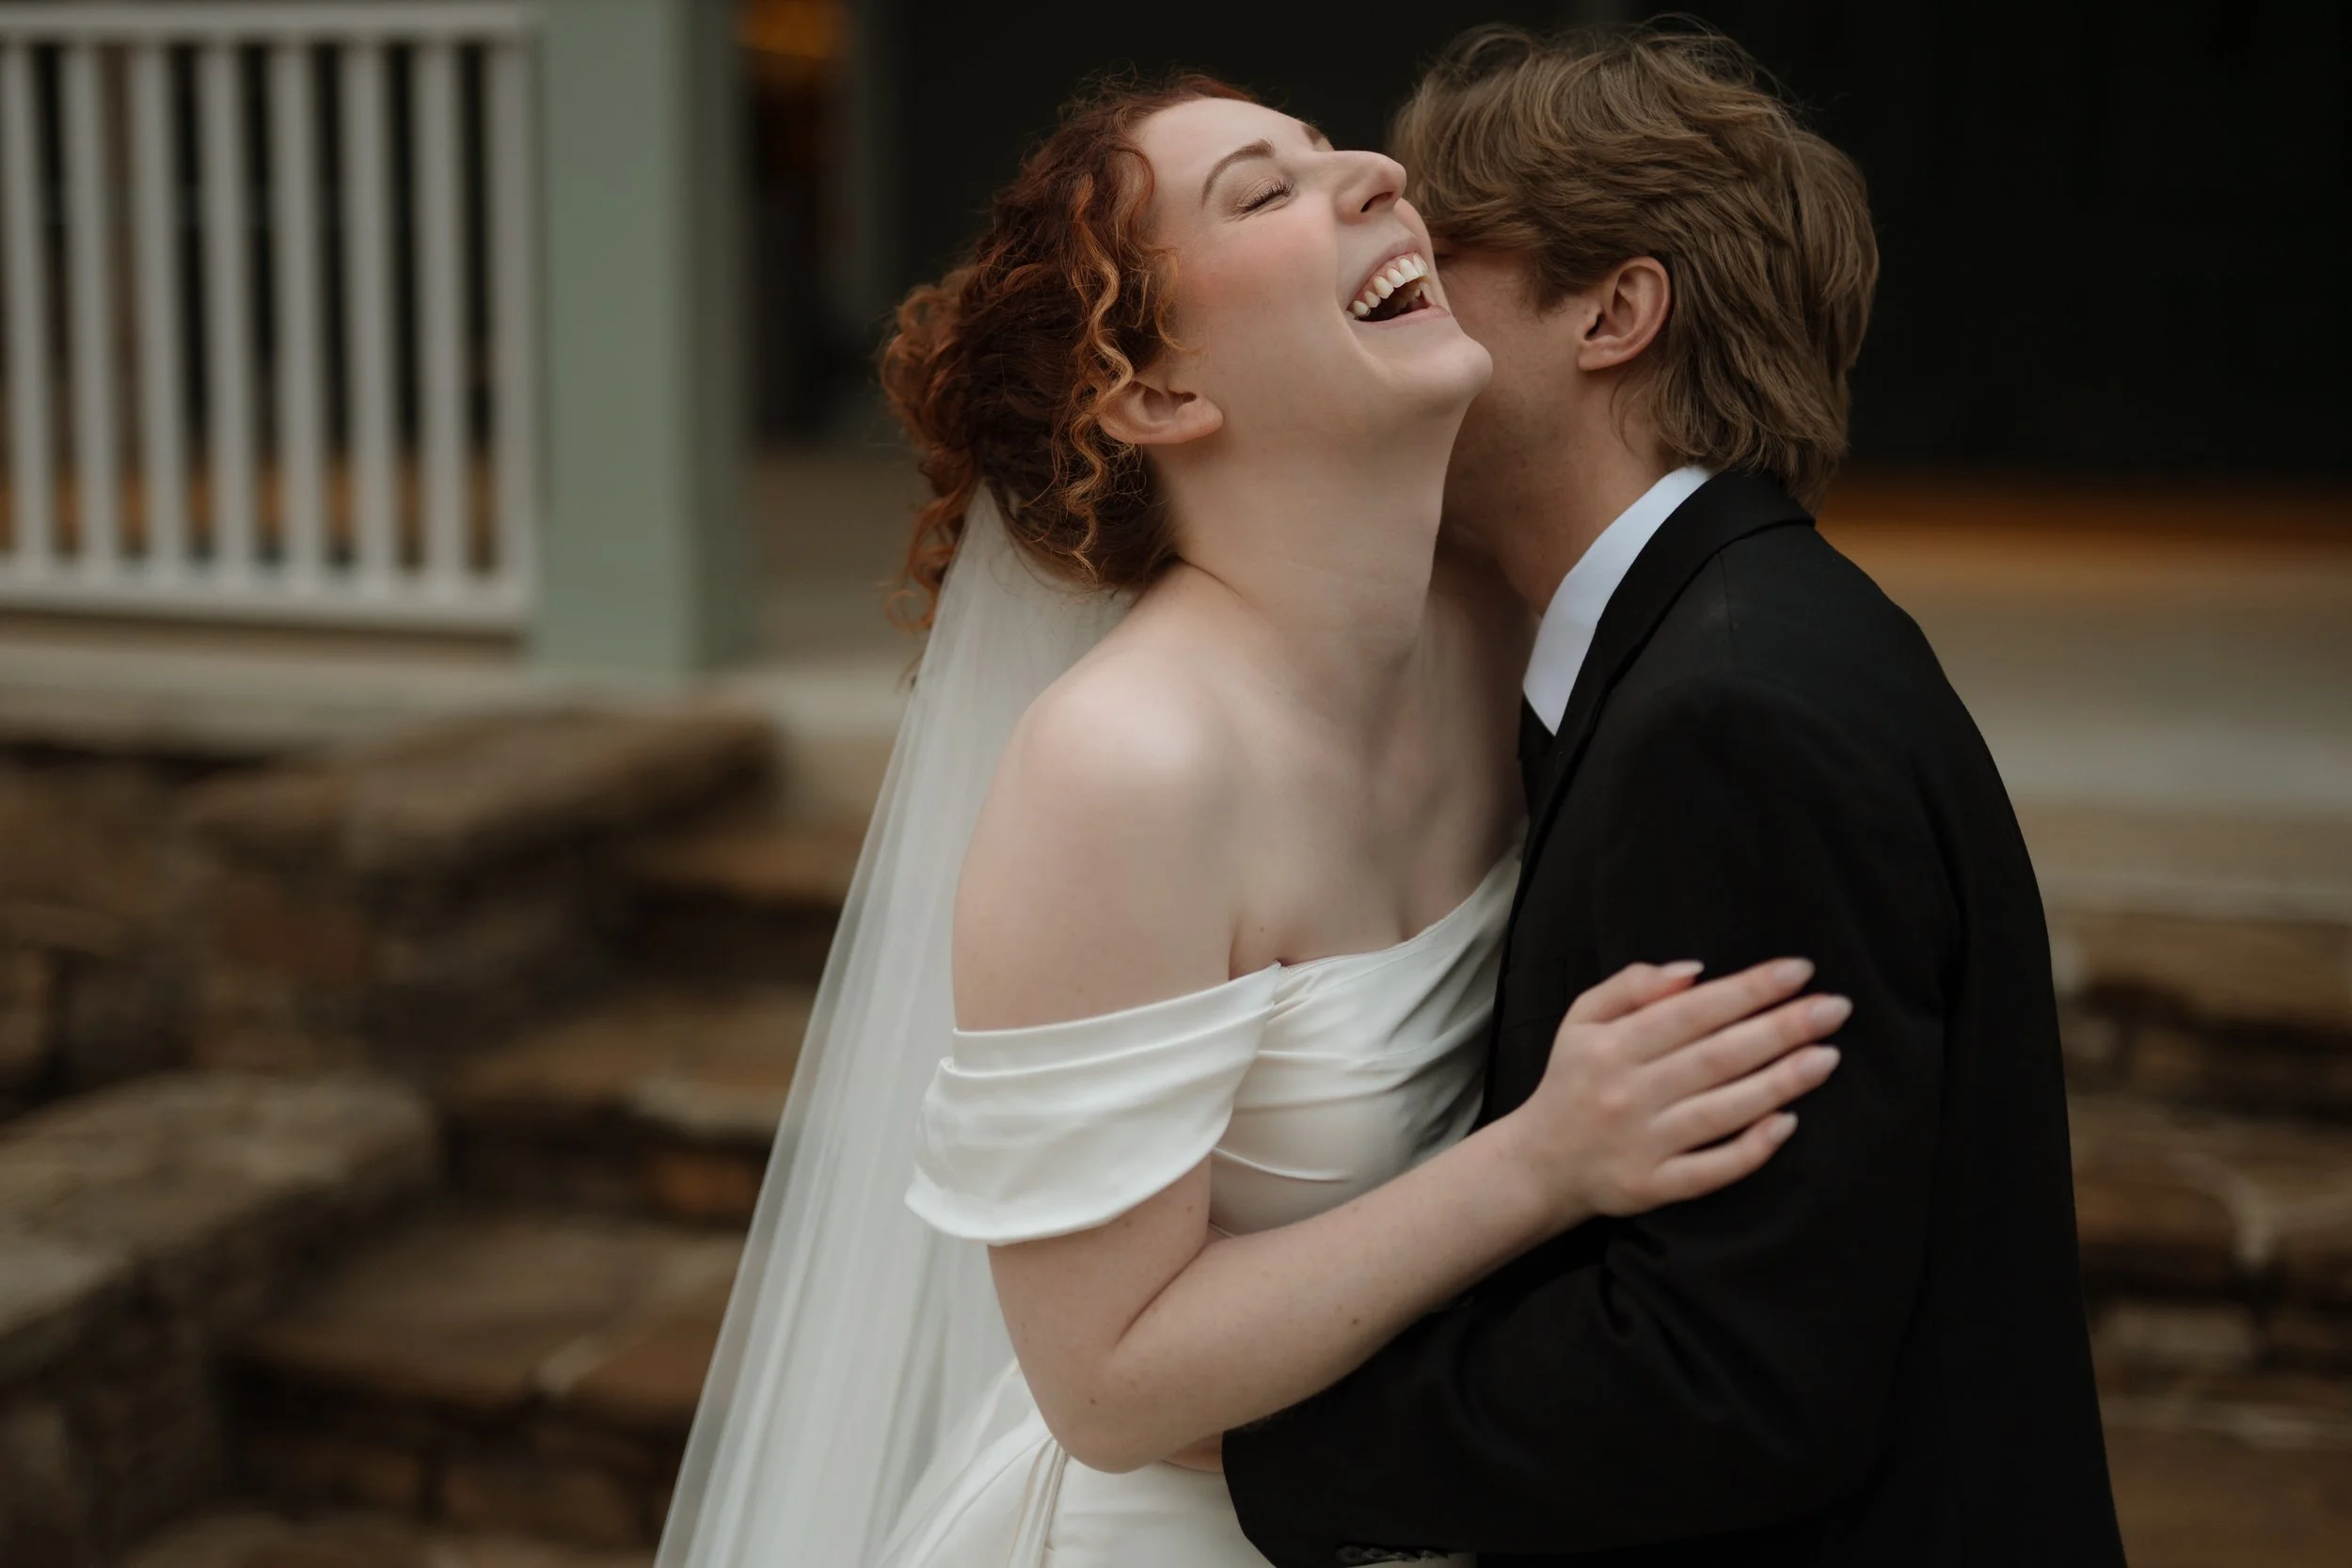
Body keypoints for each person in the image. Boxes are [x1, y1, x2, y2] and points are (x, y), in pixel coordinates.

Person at [654, 61, 1844, 1568]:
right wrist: (1542, 1160)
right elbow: (1106, 1383)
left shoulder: (1499, 620)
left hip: (1433, 1500)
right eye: (1264, 190)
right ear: (1158, 390)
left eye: (1326, 147)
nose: (1373, 173)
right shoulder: (1127, 767)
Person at [1217, 26, 2126, 1567]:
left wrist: (1236, 1442)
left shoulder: (1733, 719)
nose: (1404, 299)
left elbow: (1726, 1379)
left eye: (1442, 262)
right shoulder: (1710, 641)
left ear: (1617, 311)